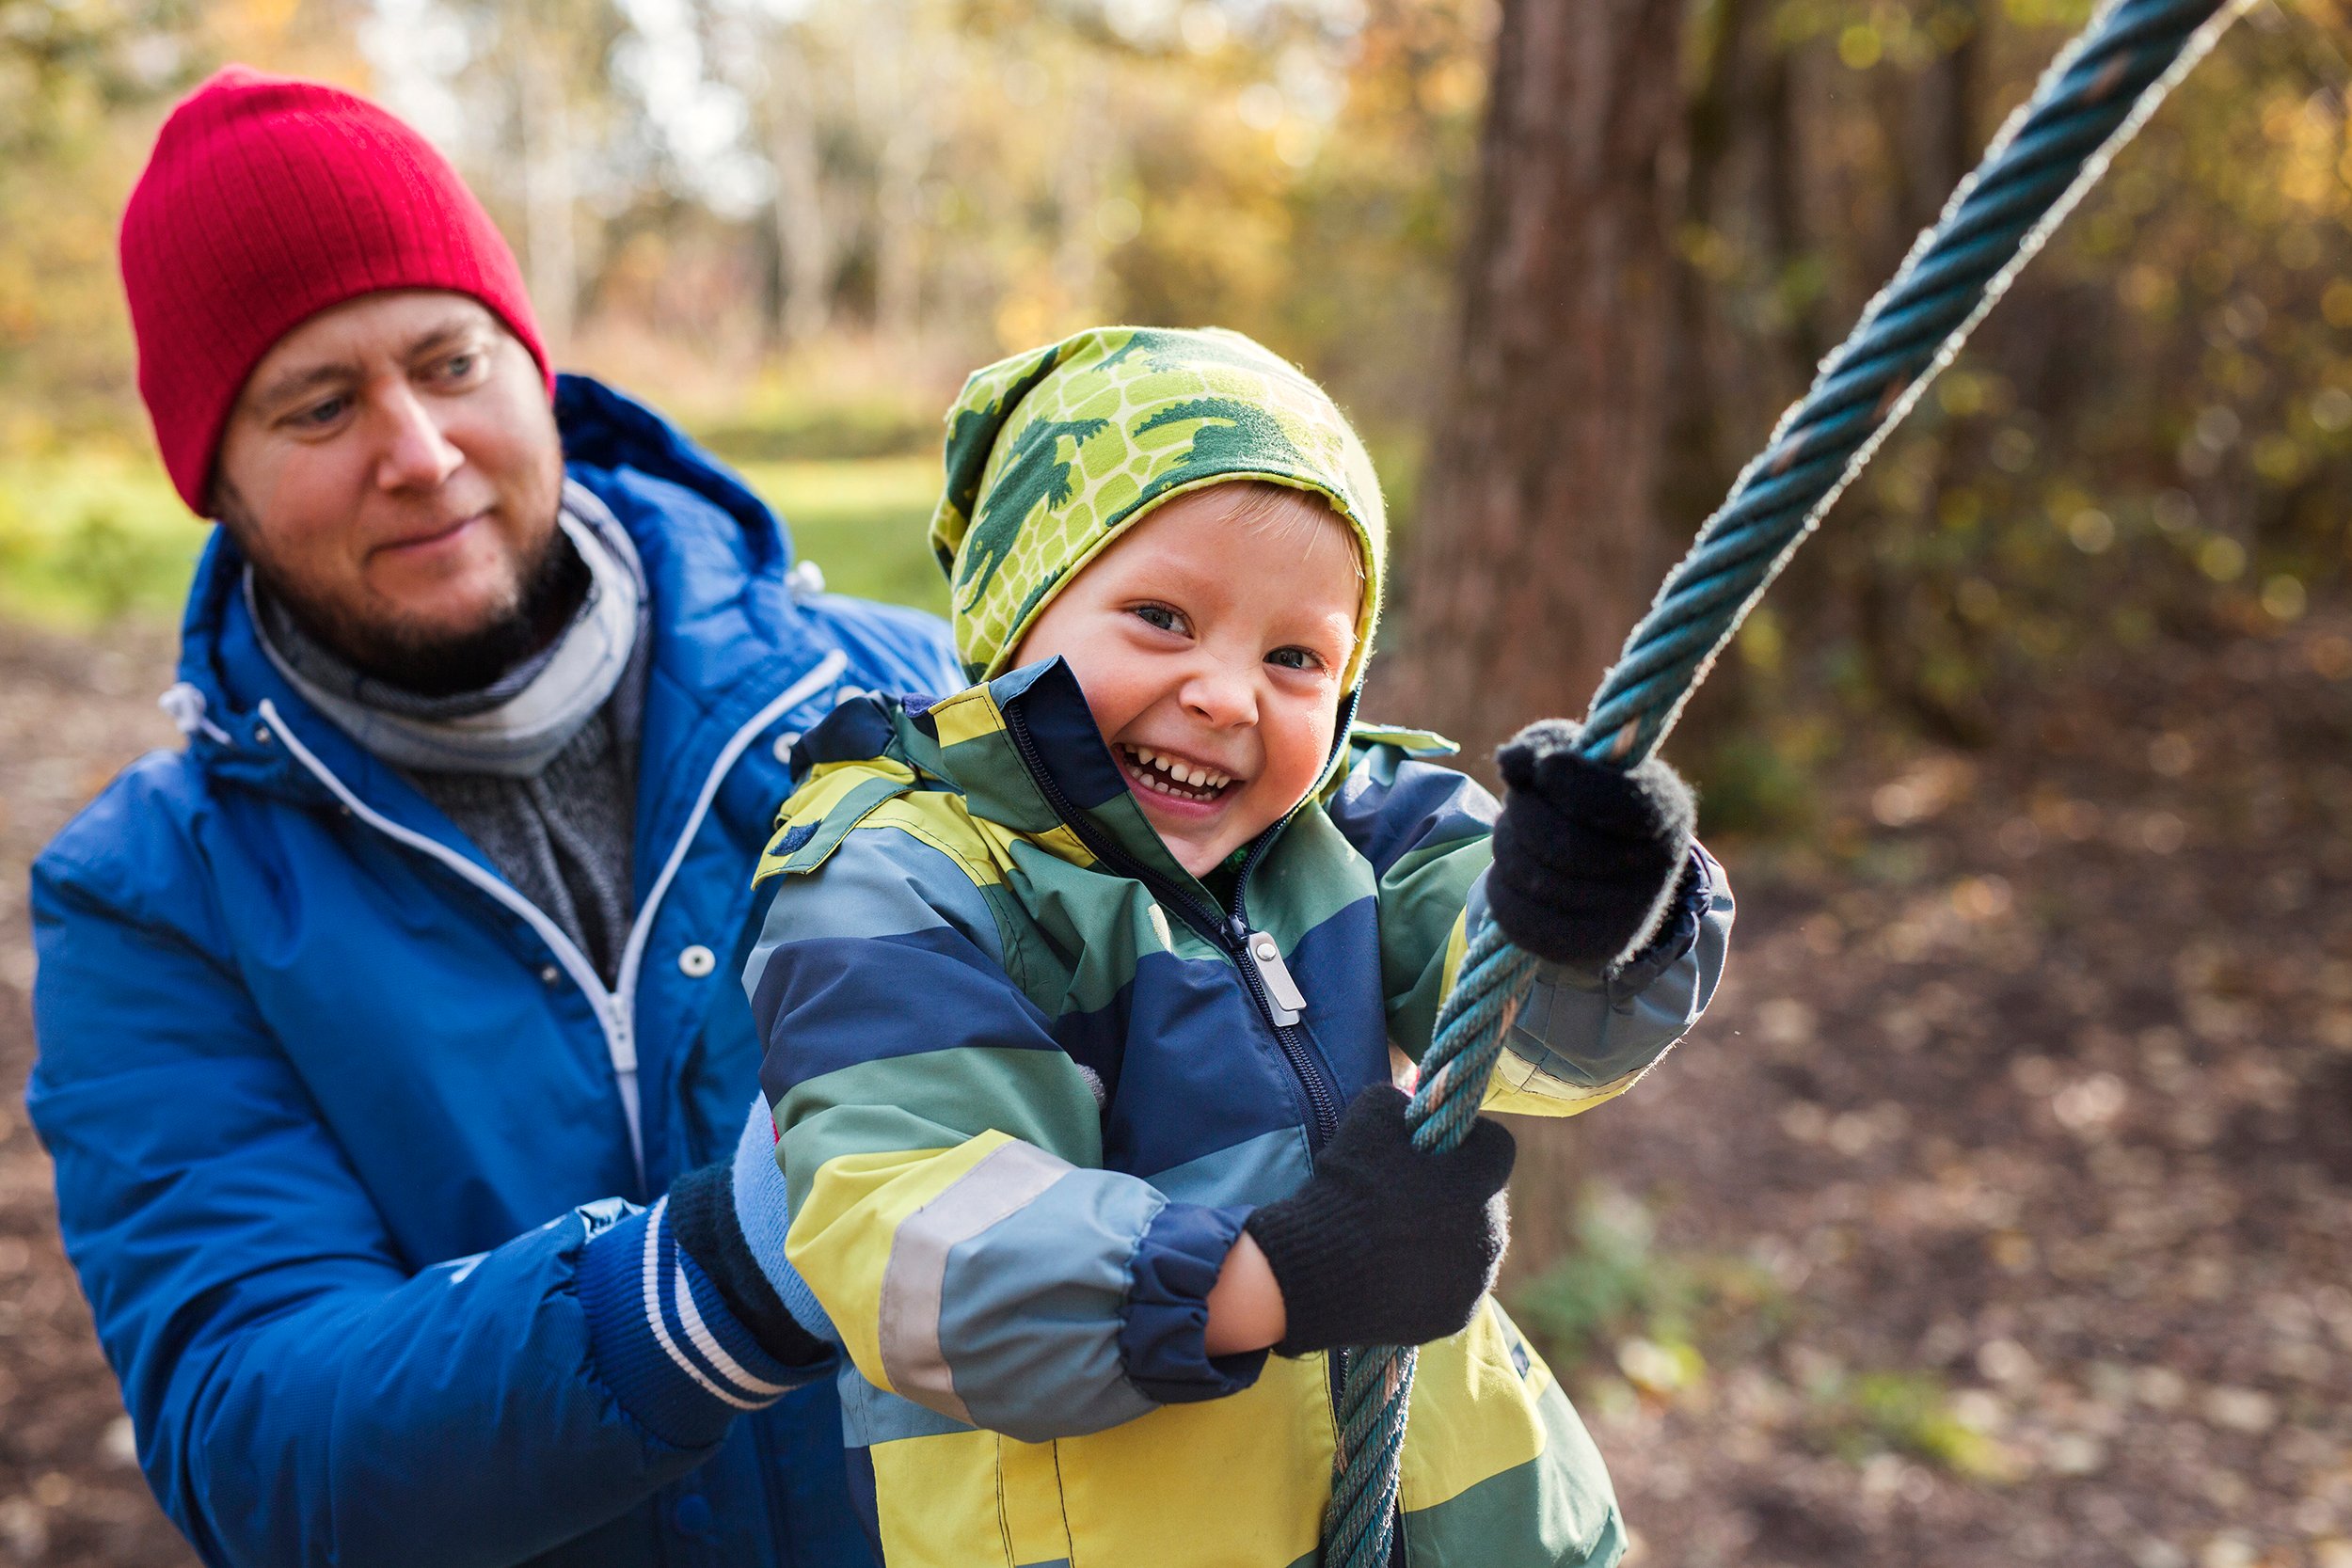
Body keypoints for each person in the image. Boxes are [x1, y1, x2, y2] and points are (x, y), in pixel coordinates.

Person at [25, 67, 962, 1568]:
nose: (417, 449)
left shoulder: (905, 701)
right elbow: (257, 1435)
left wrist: (1418, 913)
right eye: (320, 406)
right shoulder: (155, 900)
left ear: (536, 370)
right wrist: (697, 1297)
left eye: (451, 362)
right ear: (219, 484)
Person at [725, 326, 1736, 1565]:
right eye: (1161, 618)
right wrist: (1270, 1278)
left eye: (1296, 657)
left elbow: (1542, 1030)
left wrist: (1606, 910)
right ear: (1014, 617)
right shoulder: (901, 876)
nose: (1227, 694)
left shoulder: (1355, 822)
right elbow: (918, 1248)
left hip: (1462, 1519)